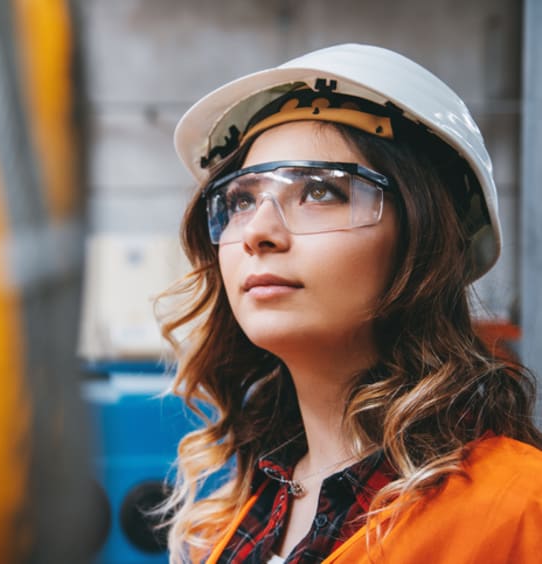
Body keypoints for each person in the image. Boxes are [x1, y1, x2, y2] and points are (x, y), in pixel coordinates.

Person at [157, 43, 542, 563]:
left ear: (422, 238)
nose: (258, 233)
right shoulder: (231, 516)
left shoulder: (519, 508)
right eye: (241, 199)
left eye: (319, 192)